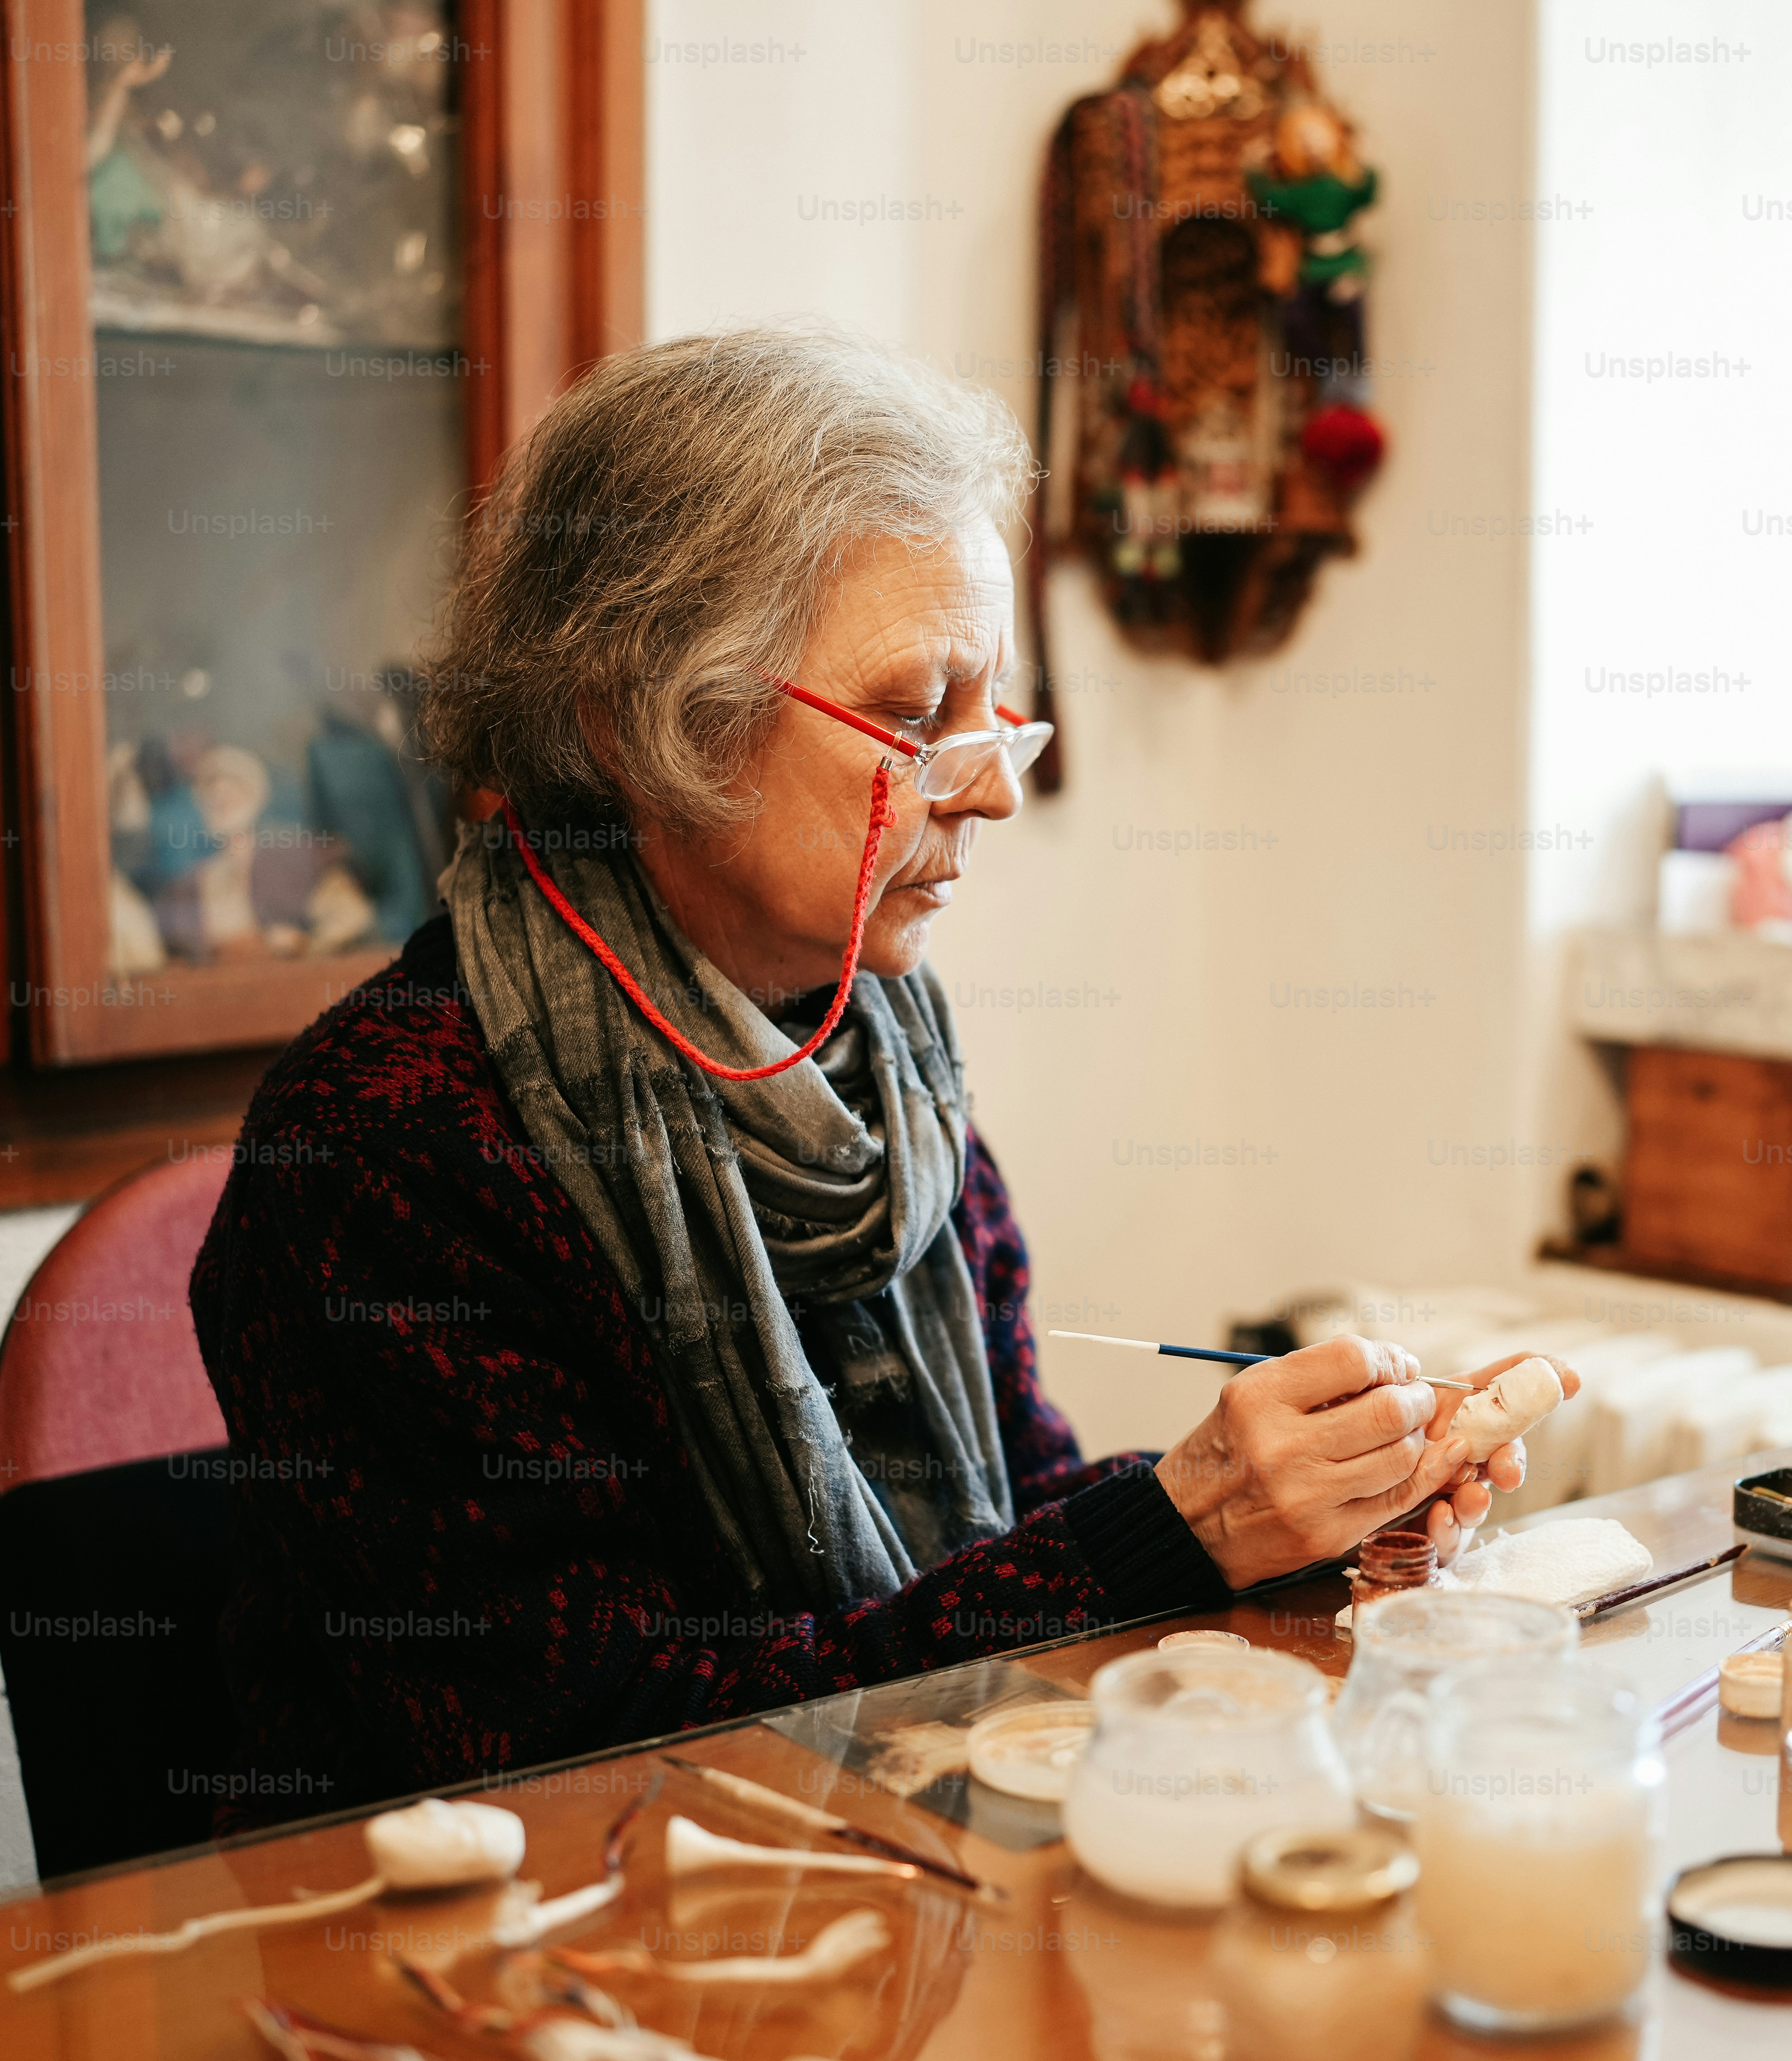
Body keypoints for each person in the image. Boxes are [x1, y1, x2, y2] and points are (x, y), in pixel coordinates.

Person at [191, 325, 1556, 1812]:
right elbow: (588, 1752)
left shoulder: (878, 1056)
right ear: (640, 723)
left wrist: (1299, 1520)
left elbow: (1010, 1524)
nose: (988, 794)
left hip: (873, 1894)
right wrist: (1171, 1530)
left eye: (999, 720)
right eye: (914, 719)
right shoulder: (383, 1149)